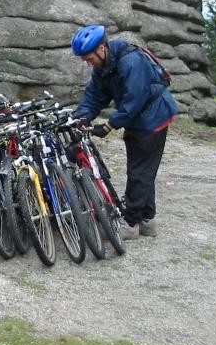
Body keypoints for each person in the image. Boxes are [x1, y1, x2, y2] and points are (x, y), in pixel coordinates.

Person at [70, 24, 179, 240]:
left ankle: (129, 223)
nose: (87, 61)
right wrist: (81, 117)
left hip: (153, 117)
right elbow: (95, 96)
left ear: (102, 48)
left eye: (88, 57)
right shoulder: (103, 67)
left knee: (139, 172)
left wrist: (110, 125)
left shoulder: (131, 61)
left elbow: (134, 100)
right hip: (139, 119)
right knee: (142, 170)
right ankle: (147, 220)